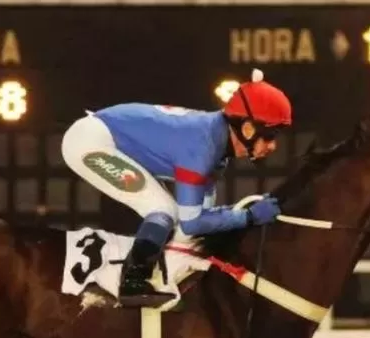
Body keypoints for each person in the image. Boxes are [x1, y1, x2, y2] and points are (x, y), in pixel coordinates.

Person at [60, 68, 292, 307]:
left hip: (108, 136)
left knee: (170, 214)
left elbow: (194, 226)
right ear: (247, 128)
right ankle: (132, 282)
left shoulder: (217, 149)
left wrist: (239, 214)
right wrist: (248, 216)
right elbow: (192, 222)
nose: (273, 146)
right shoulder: (202, 148)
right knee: (163, 211)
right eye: (270, 136)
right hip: (89, 142)